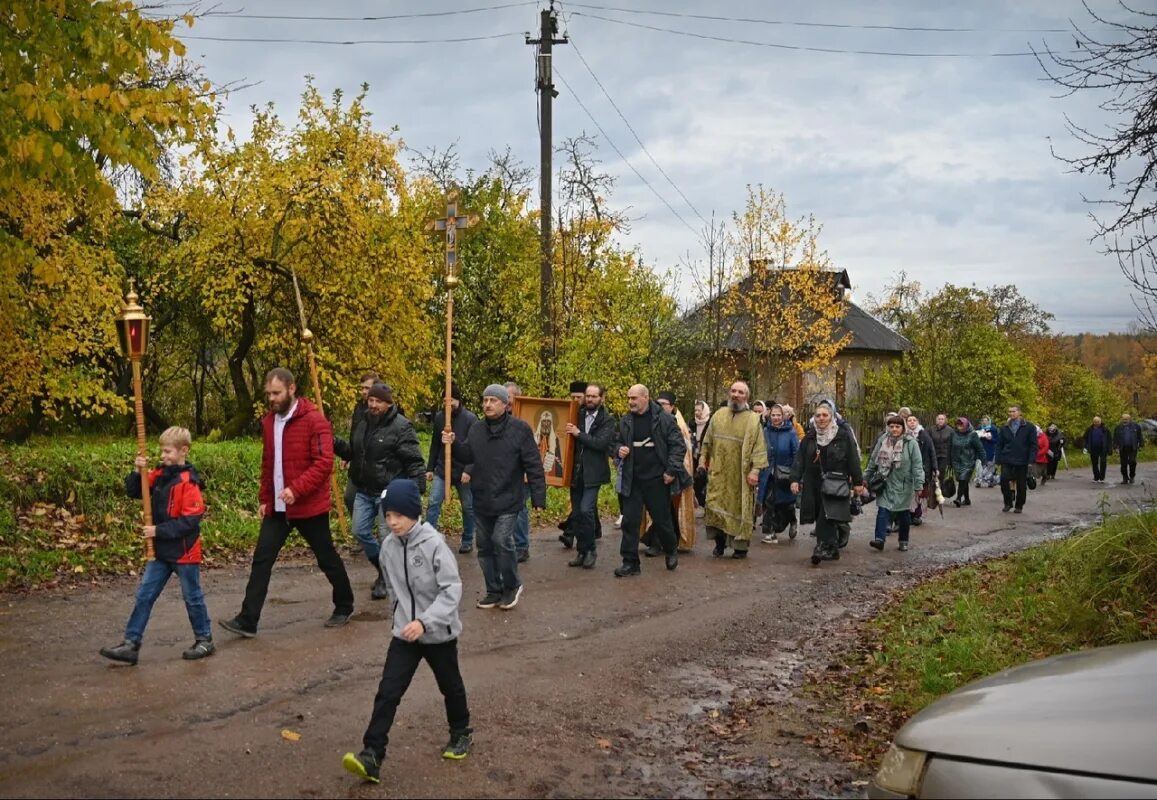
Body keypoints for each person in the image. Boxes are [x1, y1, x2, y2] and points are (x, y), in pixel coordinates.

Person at [341, 479, 472, 785]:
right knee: (388, 692)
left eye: (398, 515)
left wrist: (425, 621)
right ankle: (372, 754)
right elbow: (394, 590)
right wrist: (401, 620)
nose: (392, 521)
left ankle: (461, 732)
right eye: (387, 516)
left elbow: (452, 590)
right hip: (405, 634)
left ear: (414, 512)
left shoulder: (434, 544)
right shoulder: (387, 547)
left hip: (438, 632)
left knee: (450, 687)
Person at [219, 368, 355, 637]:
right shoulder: (269, 422)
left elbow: (324, 463)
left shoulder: (315, 421)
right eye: (269, 393)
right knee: (262, 559)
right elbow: (269, 463)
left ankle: (344, 605)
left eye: (277, 393)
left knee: (326, 557)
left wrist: (296, 489)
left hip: (308, 506)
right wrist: (265, 499)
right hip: (278, 508)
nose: (272, 398)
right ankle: (248, 620)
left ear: (292, 389)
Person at [100, 426, 213, 665]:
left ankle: (204, 639)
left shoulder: (189, 482)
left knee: (192, 597)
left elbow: (190, 520)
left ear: (184, 451)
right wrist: (137, 470)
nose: (163, 456)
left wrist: (157, 531)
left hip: (184, 551)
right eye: (161, 451)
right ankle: (131, 644)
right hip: (161, 553)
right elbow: (134, 491)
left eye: (168, 451)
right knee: (144, 595)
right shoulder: (161, 474)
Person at [444, 384, 546, 609]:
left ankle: (512, 585)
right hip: (482, 497)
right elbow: (468, 454)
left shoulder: (520, 430)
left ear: (505, 404)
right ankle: (493, 589)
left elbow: (533, 464)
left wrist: (539, 496)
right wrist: (453, 444)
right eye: (485, 400)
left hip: (509, 497)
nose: (487, 404)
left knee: (501, 540)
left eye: (493, 400)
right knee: (484, 547)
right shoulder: (477, 429)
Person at [334, 382, 426, 601]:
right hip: (364, 489)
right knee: (359, 531)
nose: (372, 404)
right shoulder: (362, 421)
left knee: (387, 538)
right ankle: (385, 569)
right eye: (371, 400)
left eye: (377, 401)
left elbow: (413, 460)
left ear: (388, 403)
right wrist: (335, 444)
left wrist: (417, 489)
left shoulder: (402, 426)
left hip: (388, 491)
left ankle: (385, 578)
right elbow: (354, 453)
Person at [613, 384, 687, 576]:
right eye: (629, 398)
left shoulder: (664, 419)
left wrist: (671, 470)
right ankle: (630, 563)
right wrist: (618, 450)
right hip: (633, 479)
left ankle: (671, 549)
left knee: (662, 520)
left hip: (656, 479)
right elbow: (616, 441)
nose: (630, 402)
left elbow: (678, 446)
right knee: (629, 522)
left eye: (634, 398)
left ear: (646, 397)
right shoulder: (626, 421)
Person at [790, 398, 864, 565]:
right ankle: (830, 546)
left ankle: (823, 547)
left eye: (824, 415)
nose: (821, 418)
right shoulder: (809, 437)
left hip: (834, 482)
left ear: (831, 418)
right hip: (812, 482)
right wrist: (795, 479)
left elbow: (853, 459)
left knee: (826, 514)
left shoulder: (842, 436)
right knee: (818, 514)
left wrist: (858, 482)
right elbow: (799, 459)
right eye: (818, 416)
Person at [701, 382, 768, 559]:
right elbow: (707, 442)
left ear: (746, 397)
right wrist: (702, 462)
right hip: (719, 473)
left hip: (741, 476)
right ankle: (719, 542)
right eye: (733, 391)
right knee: (715, 506)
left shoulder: (753, 419)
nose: (736, 395)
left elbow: (759, 448)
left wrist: (755, 471)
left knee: (739, 511)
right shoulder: (718, 414)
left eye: (740, 392)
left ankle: (740, 547)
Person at [563, 383, 615, 569]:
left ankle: (591, 549)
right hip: (575, 473)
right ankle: (581, 551)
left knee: (586, 510)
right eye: (588, 395)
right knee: (577, 514)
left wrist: (579, 434)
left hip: (593, 474)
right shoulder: (575, 414)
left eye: (594, 396)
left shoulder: (607, 420)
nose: (590, 399)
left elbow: (601, 444)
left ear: (602, 398)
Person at [426, 382, 479, 555]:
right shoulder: (440, 418)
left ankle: (467, 540)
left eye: (452, 401)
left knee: (468, 506)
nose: (448, 405)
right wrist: (430, 468)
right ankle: (428, 538)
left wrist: (469, 470)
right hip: (442, 468)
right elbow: (435, 444)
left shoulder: (470, 419)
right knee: (433, 501)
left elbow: (476, 449)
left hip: (463, 470)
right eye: (445, 401)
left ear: (458, 400)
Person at [863, 415, 923, 553]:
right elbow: (873, 461)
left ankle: (903, 540)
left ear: (903, 428)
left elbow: (917, 465)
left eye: (897, 426)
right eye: (891, 426)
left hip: (904, 484)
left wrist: (919, 485)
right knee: (883, 510)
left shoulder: (911, 443)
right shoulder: (883, 440)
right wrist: (865, 477)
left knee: (903, 514)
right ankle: (879, 539)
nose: (894, 429)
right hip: (885, 482)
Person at [646, 391, 696, 554]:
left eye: (663, 404)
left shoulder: (679, 425)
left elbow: (683, 451)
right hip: (654, 471)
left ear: (672, 407)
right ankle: (658, 541)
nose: (659, 407)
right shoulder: (652, 420)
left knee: (667, 508)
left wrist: (672, 470)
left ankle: (662, 542)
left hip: (674, 473)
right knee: (657, 507)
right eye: (657, 403)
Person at [759, 404, 800, 544]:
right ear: (769, 416)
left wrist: (795, 473)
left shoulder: (791, 433)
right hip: (768, 474)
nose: (776, 418)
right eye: (773, 415)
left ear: (783, 416)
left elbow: (796, 454)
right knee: (769, 502)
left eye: (778, 415)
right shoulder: (765, 431)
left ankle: (793, 521)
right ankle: (770, 532)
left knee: (786, 504)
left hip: (785, 474)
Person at [343, 372, 379, 521]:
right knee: (349, 497)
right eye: (362, 388)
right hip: (357, 464)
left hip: (375, 466)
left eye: (367, 388)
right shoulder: (358, 408)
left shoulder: (380, 409)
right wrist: (347, 455)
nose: (364, 391)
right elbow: (354, 434)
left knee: (377, 502)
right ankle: (363, 527)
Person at [558, 380, 589, 549]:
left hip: (588, 466)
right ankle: (589, 530)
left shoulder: (589, 414)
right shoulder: (570, 412)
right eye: (573, 397)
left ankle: (570, 533)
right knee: (582, 504)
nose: (576, 400)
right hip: (573, 465)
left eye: (579, 397)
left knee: (584, 505)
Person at [504, 381, 533, 563]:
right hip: (505, 473)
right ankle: (510, 543)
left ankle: (522, 546)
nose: (505, 401)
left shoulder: (525, 420)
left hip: (523, 473)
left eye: (508, 397)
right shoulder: (499, 418)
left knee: (520, 507)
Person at [996, 405, 1038, 514]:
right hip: (1007, 458)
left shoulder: (1029, 427)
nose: (1011, 413)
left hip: (1022, 459)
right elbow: (999, 445)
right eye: (1009, 412)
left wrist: (1031, 460)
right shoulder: (1005, 427)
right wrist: (998, 459)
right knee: (1004, 480)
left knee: (1021, 484)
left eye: (1013, 411)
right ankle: (1008, 503)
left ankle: (1019, 505)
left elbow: (1033, 445)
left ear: (1019, 412)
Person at [905, 414, 937, 526]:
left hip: (923, 468)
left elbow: (931, 451)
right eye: (909, 420)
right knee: (908, 493)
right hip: (907, 469)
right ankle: (908, 514)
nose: (912, 422)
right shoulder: (904, 435)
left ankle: (917, 516)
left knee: (920, 493)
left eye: (914, 420)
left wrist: (935, 467)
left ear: (917, 422)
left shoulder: (924, 435)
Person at [948, 417, 985, 508]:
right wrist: (949, 461)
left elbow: (980, 448)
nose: (959, 426)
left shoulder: (973, 435)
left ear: (966, 425)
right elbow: (949, 447)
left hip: (968, 461)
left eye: (961, 424)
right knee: (962, 480)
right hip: (956, 461)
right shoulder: (953, 434)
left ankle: (958, 498)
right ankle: (967, 499)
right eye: (958, 424)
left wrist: (983, 460)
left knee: (963, 479)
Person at [1113, 413, 1143, 485]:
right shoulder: (1118, 427)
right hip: (1123, 448)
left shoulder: (1136, 427)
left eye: (1126, 419)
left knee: (1132, 461)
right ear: (1121, 419)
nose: (1124, 421)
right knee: (1123, 464)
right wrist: (1115, 447)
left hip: (1133, 447)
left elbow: (1140, 437)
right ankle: (1125, 478)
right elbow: (1115, 438)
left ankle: (1132, 476)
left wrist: (1141, 445)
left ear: (1130, 419)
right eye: (1123, 419)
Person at [535, 410, 564, 479]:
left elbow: (558, 457)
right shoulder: (535, 437)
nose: (546, 424)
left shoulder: (555, 439)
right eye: (544, 421)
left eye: (548, 421)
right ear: (540, 423)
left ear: (551, 423)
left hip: (550, 468)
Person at [1083, 415, 1112, 483]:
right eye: (1095, 422)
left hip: (1103, 449)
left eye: (1098, 422)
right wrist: (1085, 447)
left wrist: (1110, 448)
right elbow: (1085, 438)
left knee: (1103, 463)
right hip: (1093, 449)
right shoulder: (1089, 429)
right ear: (1093, 422)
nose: (1096, 423)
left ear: (1100, 421)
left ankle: (1102, 478)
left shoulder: (1105, 429)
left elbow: (1109, 439)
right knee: (1094, 463)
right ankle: (1096, 477)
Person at [975, 415, 1000, 488]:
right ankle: (978, 481)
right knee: (979, 466)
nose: (985, 422)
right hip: (980, 450)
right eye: (983, 420)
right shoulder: (979, 428)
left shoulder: (993, 429)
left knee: (990, 466)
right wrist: (979, 436)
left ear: (989, 421)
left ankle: (990, 481)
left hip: (990, 450)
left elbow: (997, 440)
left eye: (986, 420)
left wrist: (990, 438)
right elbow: (974, 438)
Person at [929, 413, 952, 480]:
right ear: (936, 420)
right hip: (934, 455)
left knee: (941, 474)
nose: (940, 420)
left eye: (942, 419)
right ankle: (933, 488)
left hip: (944, 455)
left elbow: (952, 443)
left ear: (945, 420)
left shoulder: (950, 430)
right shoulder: (931, 429)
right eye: (939, 419)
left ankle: (942, 488)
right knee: (934, 473)